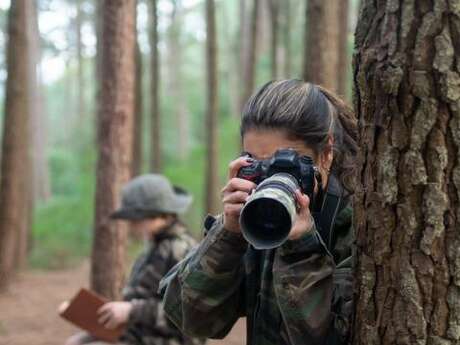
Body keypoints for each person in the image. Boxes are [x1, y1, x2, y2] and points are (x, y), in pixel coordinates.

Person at [160, 80, 357, 345]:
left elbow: (333, 337)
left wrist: (302, 247)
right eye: (258, 164)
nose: (271, 179)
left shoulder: (359, 220)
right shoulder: (256, 214)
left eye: (287, 164)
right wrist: (228, 234)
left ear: (326, 153)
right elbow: (193, 319)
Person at [64, 174, 205, 345]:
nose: (131, 224)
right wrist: (97, 332)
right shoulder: (151, 250)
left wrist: (132, 310)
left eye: (136, 218)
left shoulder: (183, 250)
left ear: (159, 215)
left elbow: (193, 315)